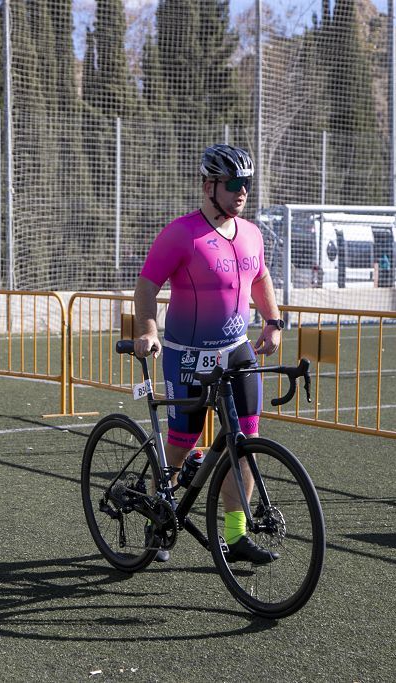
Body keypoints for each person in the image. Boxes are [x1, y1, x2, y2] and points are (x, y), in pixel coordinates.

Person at [133, 144, 283, 563]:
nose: (242, 192)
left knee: (247, 442)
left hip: (236, 352)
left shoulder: (251, 233)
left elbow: (261, 276)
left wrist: (273, 322)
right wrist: (148, 330)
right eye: (234, 184)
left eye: (246, 185)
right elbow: (146, 285)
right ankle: (156, 521)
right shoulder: (182, 234)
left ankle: (235, 536)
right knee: (181, 446)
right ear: (209, 185)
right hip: (187, 356)